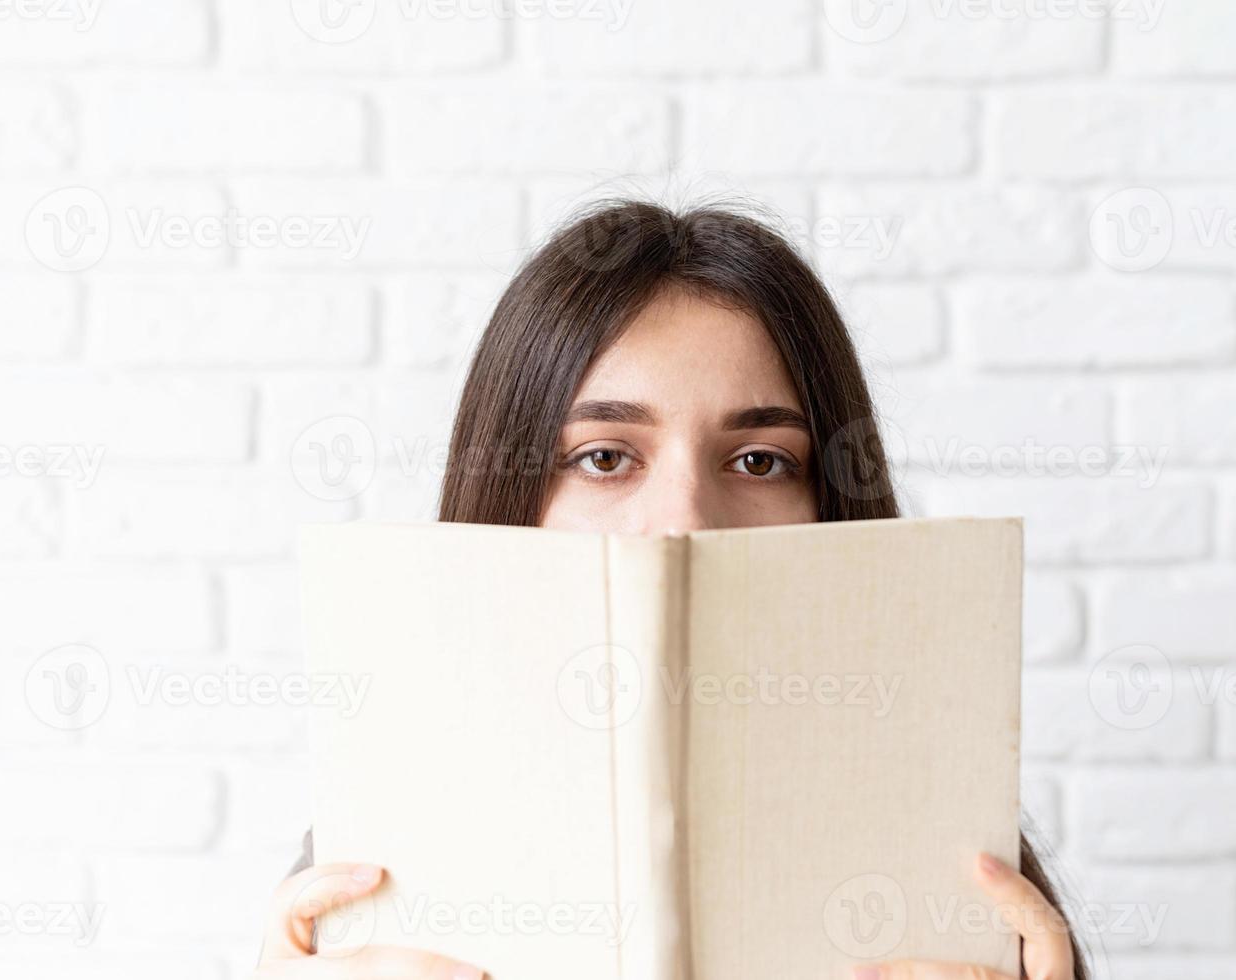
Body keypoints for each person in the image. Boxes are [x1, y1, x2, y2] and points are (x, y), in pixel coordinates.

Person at [254, 200, 1087, 980]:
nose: (684, 523)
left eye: (760, 461)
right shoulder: (375, 877)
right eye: (605, 457)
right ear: (506, 500)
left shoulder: (954, 877)